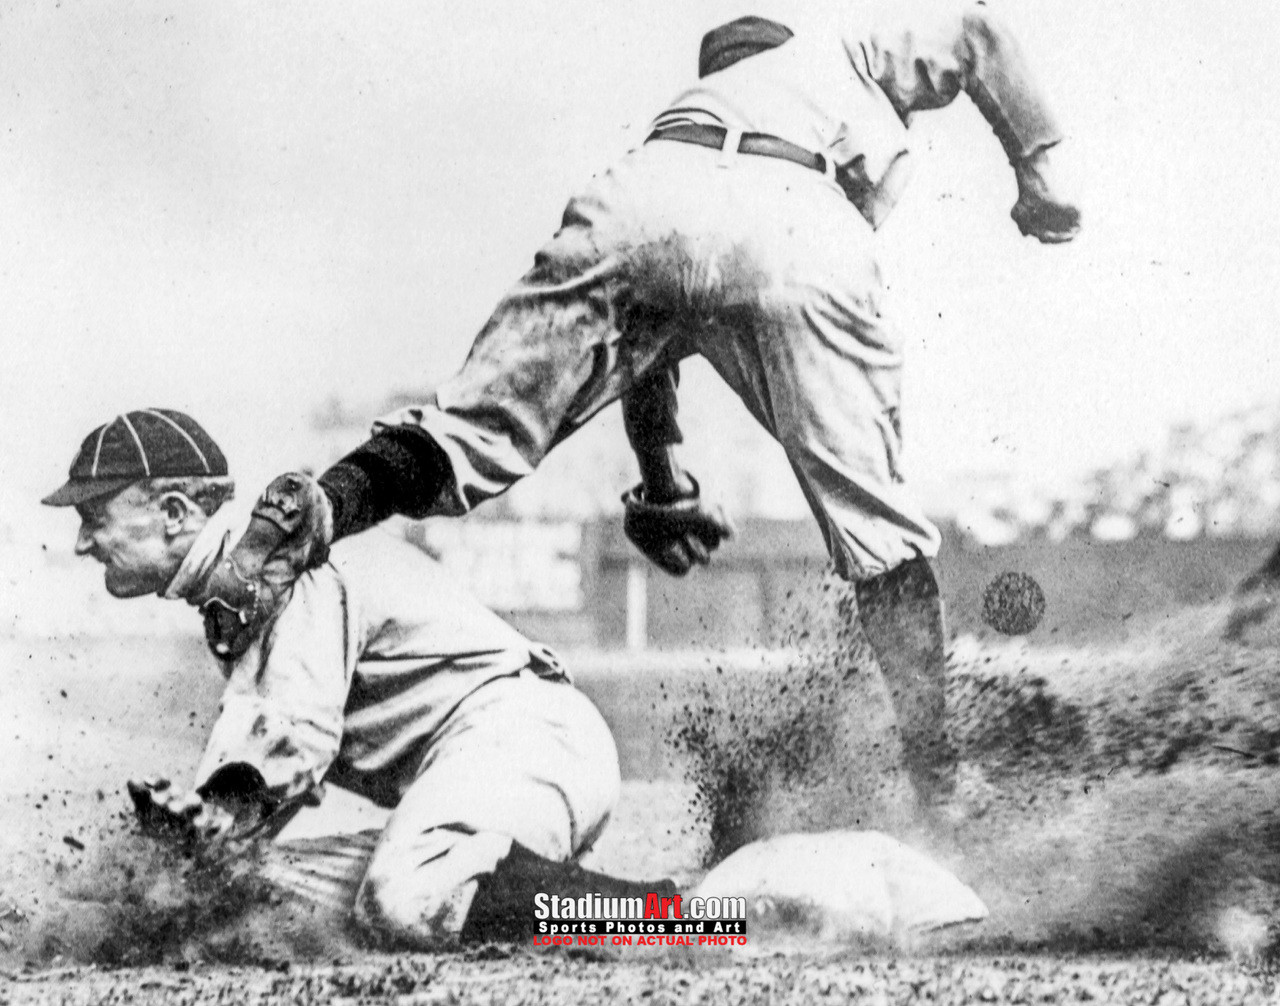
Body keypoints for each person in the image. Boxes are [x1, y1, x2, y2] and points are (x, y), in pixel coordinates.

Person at [198, 1, 1083, 807]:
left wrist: (663, 484)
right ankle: (940, 792)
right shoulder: (834, 50)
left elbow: (642, 360)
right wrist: (1038, 172)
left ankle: (326, 501)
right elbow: (978, 30)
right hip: (795, 208)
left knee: (466, 433)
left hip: (633, 208)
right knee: (879, 530)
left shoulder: (682, 119)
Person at [42, 409, 674, 947]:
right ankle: (535, 890)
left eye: (95, 515)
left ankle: (683, 921)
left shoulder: (287, 566)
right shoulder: (243, 587)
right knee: (260, 892)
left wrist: (211, 824)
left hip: (522, 738)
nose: (82, 542)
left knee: (404, 896)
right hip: (490, 769)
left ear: (174, 511)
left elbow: (291, 744)